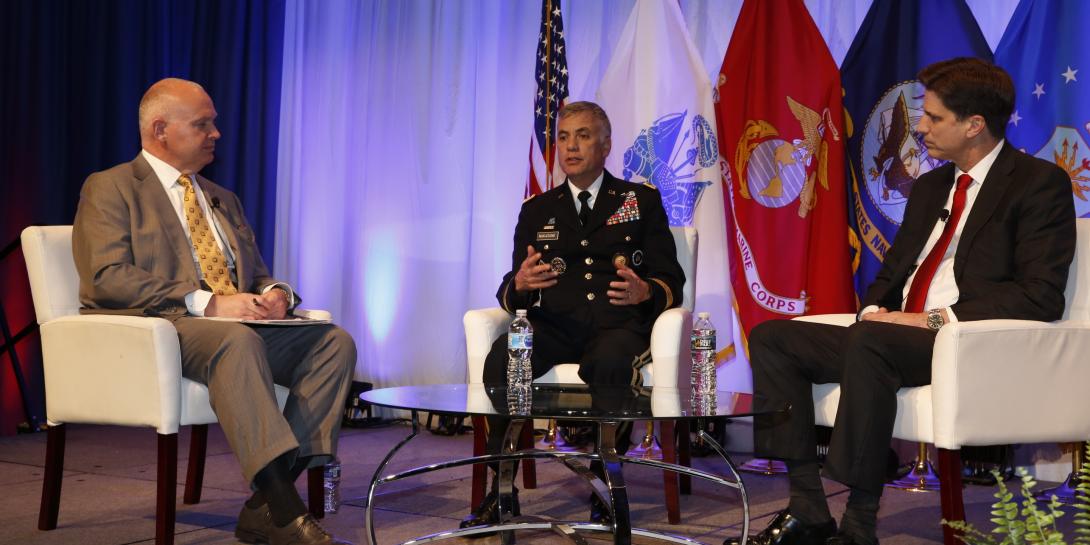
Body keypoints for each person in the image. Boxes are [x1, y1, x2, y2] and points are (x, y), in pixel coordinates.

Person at [726, 57, 1076, 545]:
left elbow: (1039, 296)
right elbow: (893, 272)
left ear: (974, 125)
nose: (922, 128)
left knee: (871, 342)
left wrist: (928, 320)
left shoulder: (1038, 184)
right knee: (773, 337)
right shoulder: (933, 185)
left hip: (963, 340)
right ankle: (807, 505)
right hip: (889, 336)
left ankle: (859, 523)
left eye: (934, 118)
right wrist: (874, 311)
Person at [72, 78, 357, 545]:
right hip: (161, 327)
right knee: (234, 339)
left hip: (235, 327)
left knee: (333, 343)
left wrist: (277, 294)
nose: (215, 134)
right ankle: (286, 509)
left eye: (215, 124)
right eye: (202, 124)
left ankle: (267, 503)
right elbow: (106, 277)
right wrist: (206, 302)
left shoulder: (223, 197)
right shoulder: (111, 187)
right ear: (160, 129)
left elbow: (259, 275)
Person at [461, 101, 685, 529]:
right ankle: (501, 489)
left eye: (583, 135)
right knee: (502, 359)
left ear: (605, 146)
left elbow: (671, 280)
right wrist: (520, 286)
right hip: (555, 327)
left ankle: (605, 484)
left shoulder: (639, 201)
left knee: (610, 362)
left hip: (617, 324)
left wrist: (643, 291)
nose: (570, 146)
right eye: (563, 137)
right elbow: (514, 285)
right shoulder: (537, 209)